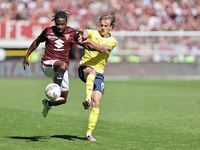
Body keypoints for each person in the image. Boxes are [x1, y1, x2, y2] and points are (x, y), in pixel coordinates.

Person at [23, 10, 109, 118]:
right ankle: (56, 87)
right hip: (48, 64)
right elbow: (37, 41)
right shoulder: (48, 31)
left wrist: (98, 49)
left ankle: (48, 103)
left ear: (66, 23)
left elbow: (85, 45)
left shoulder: (72, 33)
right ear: (54, 22)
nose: (59, 26)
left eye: (62, 24)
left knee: (63, 99)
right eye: (57, 24)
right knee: (62, 65)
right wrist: (27, 55)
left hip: (61, 70)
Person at [77, 13, 117, 141]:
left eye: (106, 26)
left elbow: (102, 49)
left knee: (97, 103)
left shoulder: (112, 41)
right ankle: (87, 98)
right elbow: (83, 32)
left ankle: (88, 133)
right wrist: (77, 31)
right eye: (101, 25)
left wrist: (87, 41)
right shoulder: (93, 33)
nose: (103, 28)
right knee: (92, 72)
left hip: (99, 73)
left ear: (111, 27)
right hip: (85, 68)